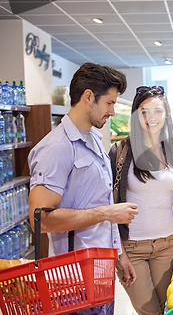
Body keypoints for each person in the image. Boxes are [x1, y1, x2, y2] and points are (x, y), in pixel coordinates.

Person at [28, 62, 139, 315]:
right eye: (109, 103)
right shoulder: (56, 148)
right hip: (72, 281)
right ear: (89, 96)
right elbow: (39, 220)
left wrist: (118, 255)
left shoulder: (94, 140)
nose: (112, 111)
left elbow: (99, 202)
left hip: (100, 272)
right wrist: (106, 213)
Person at [109, 86, 173, 315]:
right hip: (132, 248)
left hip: (167, 245)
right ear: (135, 115)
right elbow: (109, 207)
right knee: (149, 312)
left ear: (166, 115)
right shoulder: (120, 152)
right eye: (143, 112)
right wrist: (119, 253)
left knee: (170, 308)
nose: (151, 118)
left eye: (157, 111)